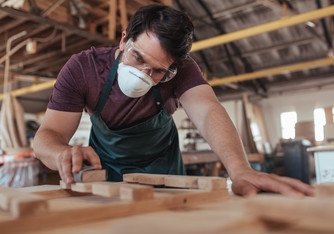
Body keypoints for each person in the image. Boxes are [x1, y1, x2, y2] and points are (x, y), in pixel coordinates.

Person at [33, 4, 314, 198]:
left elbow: (207, 111)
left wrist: (239, 170)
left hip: (163, 171)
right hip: (103, 170)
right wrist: (61, 154)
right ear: (123, 40)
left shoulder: (182, 71)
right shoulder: (84, 68)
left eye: (157, 71)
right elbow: (49, 135)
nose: (142, 75)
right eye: (137, 58)